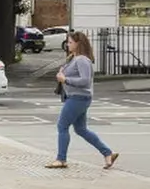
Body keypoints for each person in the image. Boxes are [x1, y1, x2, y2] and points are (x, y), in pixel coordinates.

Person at [46, 31, 121, 170]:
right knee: (81, 129)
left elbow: (85, 81)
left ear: (78, 44)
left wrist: (65, 79)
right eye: (67, 42)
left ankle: (61, 159)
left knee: (62, 126)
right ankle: (108, 153)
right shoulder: (75, 58)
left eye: (70, 42)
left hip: (78, 98)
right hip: (78, 98)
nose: (67, 45)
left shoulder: (82, 60)